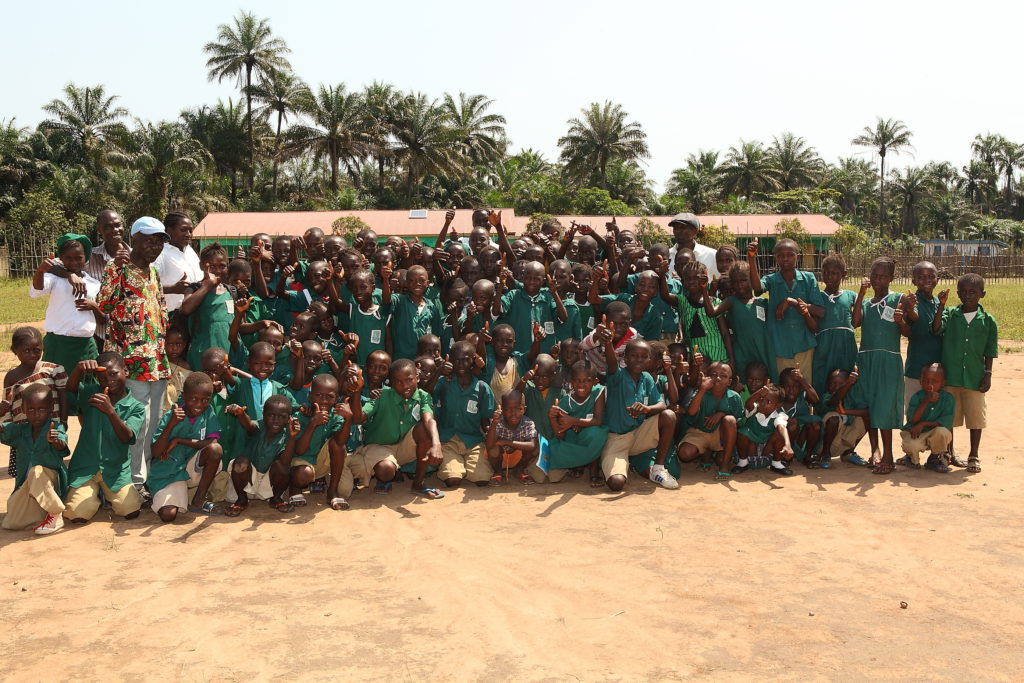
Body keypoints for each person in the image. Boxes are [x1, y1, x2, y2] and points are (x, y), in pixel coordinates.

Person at [98, 216, 172, 492]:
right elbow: (103, 304)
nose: (155, 246)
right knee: (136, 426)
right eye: (150, 240)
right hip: (131, 364)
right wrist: (117, 267)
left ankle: (148, 476)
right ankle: (133, 481)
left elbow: (161, 312)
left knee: (153, 425)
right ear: (134, 240)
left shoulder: (153, 273)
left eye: (160, 242)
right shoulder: (117, 268)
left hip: (156, 363)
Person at [63, 353, 145, 522]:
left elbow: (127, 437)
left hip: (116, 470)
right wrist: (78, 370)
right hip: (85, 468)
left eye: (113, 374)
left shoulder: (136, 407)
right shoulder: (91, 394)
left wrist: (111, 411)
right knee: (77, 514)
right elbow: (69, 391)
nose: (108, 380)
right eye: (101, 377)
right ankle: (95, 494)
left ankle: (105, 493)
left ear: (126, 371)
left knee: (130, 510)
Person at [349, 358, 444, 499]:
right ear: (391, 383)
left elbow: (429, 420)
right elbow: (358, 418)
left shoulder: (423, 397)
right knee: (386, 471)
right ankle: (385, 475)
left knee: (424, 429)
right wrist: (356, 392)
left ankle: (418, 483)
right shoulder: (382, 395)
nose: (405, 386)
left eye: (409, 380)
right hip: (378, 446)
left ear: (417, 378)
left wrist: (436, 444)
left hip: (404, 447)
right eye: (398, 382)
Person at [932, 273, 997, 473]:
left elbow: (990, 350)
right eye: (964, 292)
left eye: (973, 292)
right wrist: (941, 305)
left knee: (976, 418)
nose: (968, 295)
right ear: (958, 294)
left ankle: (973, 455)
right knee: (950, 417)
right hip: (951, 377)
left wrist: (988, 374)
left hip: (975, 377)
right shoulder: (951, 314)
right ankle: (949, 452)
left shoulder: (988, 321)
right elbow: (936, 329)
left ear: (982, 294)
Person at [850, 257, 910, 475]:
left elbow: (907, 332)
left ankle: (888, 456)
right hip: (866, 359)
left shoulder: (899, 299)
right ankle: (874, 450)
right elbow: (855, 322)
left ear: (891, 278)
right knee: (870, 405)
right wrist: (861, 295)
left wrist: (901, 321)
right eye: (874, 275)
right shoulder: (866, 302)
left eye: (883, 276)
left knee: (884, 406)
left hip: (888, 360)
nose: (878, 279)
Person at [598, 337, 678, 491]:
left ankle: (658, 468)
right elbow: (612, 363)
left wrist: (647, 409)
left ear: (649, 359)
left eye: (644, 356)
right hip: (617, 439)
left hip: (639, 434)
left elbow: (661, 404)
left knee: (669, 415)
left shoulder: (646, 378)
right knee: (616, 483)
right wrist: (608, 343)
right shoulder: (617, 376)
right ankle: (625, 464)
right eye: (634, 356)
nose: (639, 360)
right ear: (625, 358)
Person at [747, 238, 825, 386]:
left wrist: (792, 302)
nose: (785, 258)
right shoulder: (771, 280)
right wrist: (751, 258)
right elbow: (757, 289)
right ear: (775, 258)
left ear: (798, 256)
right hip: (779, 344)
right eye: (780, 255)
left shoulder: (808, 279)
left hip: (804, 344)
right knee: (783, 387)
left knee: (804, 384)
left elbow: (820, 311)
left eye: (790, 254)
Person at [148, 372, 224, 522]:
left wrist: (179, 440)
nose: (199, 404)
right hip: (169, 473)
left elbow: (212, 443)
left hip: (191, 468)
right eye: (194, 399)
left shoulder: (208, 412)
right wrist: (171, 425)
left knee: (215, 450)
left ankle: (198, 500)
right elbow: (156, 453)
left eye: (205, 400)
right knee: (168, 515)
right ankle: (169, 494)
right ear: (183, 395)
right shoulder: (172, 414)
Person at [0, 384, 68, 534]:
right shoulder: (19, 430)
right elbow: (3, 429)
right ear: (23, 409)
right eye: (31, 409)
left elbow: (63, 447)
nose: (36, 414)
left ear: (51, 408)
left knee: (36, 471)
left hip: (51, 485)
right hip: (28, 488)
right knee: (11, 523)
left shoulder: (56, 428)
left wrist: (56, 441)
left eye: (42, 409)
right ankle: (44, 515)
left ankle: (55, 514)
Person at [1, 327, 68, 478]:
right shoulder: (12, 377)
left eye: (37, 350)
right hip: (23, 434)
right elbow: (8, 405)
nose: (33, 354)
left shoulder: (53, 370)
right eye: (26, 351)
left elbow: (63, 395)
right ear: (14, 350)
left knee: (50, 470)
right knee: (25, 472)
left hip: (49, 429)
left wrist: (63, 421)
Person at [30, 233, 101, 373]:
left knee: (84, 385)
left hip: (85, 345)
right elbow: (36, 290)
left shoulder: (94, 283)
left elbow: (103, 316)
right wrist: (41, 270)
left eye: (78, 258)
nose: (74, 262)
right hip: (57, 342)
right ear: (61, 259)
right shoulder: (54, 279)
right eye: (68, 258)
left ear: (86, 257)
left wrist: (93, 306)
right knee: (53, 384)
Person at [431, 340, 496, 488]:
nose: (461, 365)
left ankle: (468, 465)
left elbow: (486, 419)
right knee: (453, 479)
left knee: (482, 479)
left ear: (473, 360)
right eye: (457, 360)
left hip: (473, 442)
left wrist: (490, 436)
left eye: (465, 360)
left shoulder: (481, 388)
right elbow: (427, 395)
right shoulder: (444, 383)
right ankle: (455, 466)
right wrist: (438, 371)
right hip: (448, 441)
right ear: (451, 360)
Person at [224, 394, 301, 514]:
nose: (276, 420)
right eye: (271, 415)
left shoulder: (288, 434)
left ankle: (276, 499)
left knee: (283, 466)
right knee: (240, 462)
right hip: (247, 480)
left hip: (268, 484)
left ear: (288, 419)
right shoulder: (259, 426)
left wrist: (292, 436)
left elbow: (285, 463)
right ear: (263, 415)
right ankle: (242, 499)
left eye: (281, 417)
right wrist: (241, 413)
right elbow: (249, 425)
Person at [676, 361, 743, 479]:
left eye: (723, 376)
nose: (718, 378)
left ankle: (725, 465)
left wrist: (721, 414)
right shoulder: (702, 392)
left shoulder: (734, 397)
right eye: (713, 375)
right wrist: (702, 389)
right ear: (707, 377)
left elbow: (738, 422)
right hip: (699, 432)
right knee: (684, 454)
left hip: (719, 436)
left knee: (730, 420)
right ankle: (705, 454)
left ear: (729, 382)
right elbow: (691, 412)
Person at [812, 254, 858, 399]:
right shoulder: (817, 296)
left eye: (834, 273)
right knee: (822, 377)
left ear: (844, 274)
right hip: (824, 346)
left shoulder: (851, 295)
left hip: (846, 345)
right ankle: (822, 412)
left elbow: (858, 320)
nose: (829, 277)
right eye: (825, 273)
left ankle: (847, 413)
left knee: (846, 377)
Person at [898, 363, 955, 473]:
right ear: (920, 381)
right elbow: (913, 420)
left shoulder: (948, 399)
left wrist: (923, 424)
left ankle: (933, 459)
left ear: (943, 383)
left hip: (934, 433)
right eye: (926, 380)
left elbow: (946, 422)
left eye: (935, 381)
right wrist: (926, 401)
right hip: (916, 434)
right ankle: (911, 458)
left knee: (943, 432)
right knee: (910, 445)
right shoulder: (917, 397)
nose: (930, 385)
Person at [903, 261, 943, 409]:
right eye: (922, 277)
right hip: (916, 370)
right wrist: (910, 310)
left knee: (933, 412)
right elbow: (912, 317)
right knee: (914, 412)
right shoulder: (912, 301)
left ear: (937, 280)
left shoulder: (939, 303)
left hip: (937, 371)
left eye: (931, 276)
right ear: (914, 281)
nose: (927, 280)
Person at [733, 383, 794, 476]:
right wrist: (759, 393)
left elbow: (782, 427)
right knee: (743, 432)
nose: (763, 404)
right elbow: (748, 403)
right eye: (761, 399)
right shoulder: (755, 409)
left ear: (778, 405)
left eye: (768, 402)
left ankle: (776, 463)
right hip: (750, 451)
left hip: (767, 452)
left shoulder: (780, 415)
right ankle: (743, 462)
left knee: (779, 434)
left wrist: (787, 445)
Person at [485, 390, 539, 485]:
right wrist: (494, 423)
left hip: (518, 458)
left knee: (535, 449)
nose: (513, 413)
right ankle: (498, 472)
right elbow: (489, 446)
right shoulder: (498, 422)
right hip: (500, 458)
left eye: (518, 409)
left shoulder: (528, 423)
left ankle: (519, 470)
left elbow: (532, 445)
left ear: (524, 409)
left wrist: (507, 442)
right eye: (508, 409)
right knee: (493, 449)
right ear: (502, 409)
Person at [153, 211, 202, 314]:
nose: (188, 234)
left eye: (190, 230)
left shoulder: (190, 251)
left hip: (197, 312)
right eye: (183, 230)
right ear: (169, 231)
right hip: (174, 316)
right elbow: (148, 286)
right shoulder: (160, 254)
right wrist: (173, 289)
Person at [666, 213, 718, 278]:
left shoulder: (712, 255)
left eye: (683, 227)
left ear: (695, 231)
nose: (678, 231)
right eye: (676, 228)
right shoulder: (666, 256)